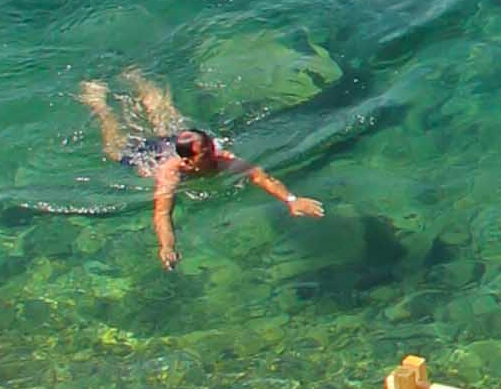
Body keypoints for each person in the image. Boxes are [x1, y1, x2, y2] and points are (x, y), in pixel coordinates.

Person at [81, 72, 325, 268]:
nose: (214, 154)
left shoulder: (221, 158)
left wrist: (291, 200)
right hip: (151, 154)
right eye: (206, 153)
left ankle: (136, 77)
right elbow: (162, 214)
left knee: (166, 116)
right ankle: (98, 102)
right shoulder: (171, 173)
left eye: (210, 147)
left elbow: (259, 175)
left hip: (179, 143)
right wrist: (167, 246)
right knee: (114, 148)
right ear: (188, 162)